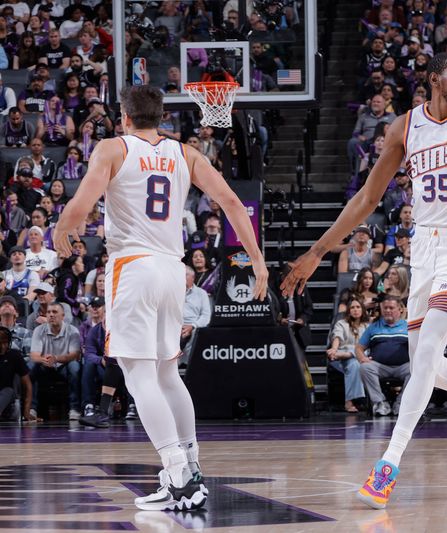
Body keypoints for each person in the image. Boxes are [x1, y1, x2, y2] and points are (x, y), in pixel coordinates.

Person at [281, 52, 447, 510]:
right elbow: (367, 197)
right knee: (425, 361)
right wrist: (318, 250)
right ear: (433, 78)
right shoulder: (405, 127)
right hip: (423, 248)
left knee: (428, 352)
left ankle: (388, 464)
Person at [51, 85, 268, 512]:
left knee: (138, 375)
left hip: (133, 266)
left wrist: (62, 229)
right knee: (168, 373)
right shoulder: (186, 153)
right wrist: (258, 262)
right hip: (173, 270)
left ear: (124, 116)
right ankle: (190, 468)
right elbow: (232, 202)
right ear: (162, 116)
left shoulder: (113, 148)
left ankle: (177, 475)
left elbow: (82, 201)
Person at [356, 295, 410, 416]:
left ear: (400, 309)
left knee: (417, 369)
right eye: (385, 308)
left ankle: (402, 403)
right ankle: (380, 403)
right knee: (365, 367)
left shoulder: (408, 326)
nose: (388, 310)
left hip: (403, 366)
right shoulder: (373, 327)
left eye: (391, 308)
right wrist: (362, 358)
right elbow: (359, 348)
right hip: (380, 367)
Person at [28, 303, 81, 420]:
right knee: (31, 366)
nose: (51, 315)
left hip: (64, 367)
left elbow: (74, 355)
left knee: (75, 367)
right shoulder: (39, 330)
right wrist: (43, 359)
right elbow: (34, 355)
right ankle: (32, 408)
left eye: (55, 312)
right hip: (45, 366)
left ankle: (74, 408)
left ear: (63, 316)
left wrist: (56, 358)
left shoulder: (73, 331)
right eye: (49, 312)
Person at [328, 297, 369, 413]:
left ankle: (348, 354)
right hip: (342, 359)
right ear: (348, 310)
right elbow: (337, 337)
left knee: (355, 361)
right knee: (354, 364)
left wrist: (348, 353)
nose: (355, 310)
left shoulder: (367, 326)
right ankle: (351, 401)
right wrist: (334, 349)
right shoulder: (341, 323)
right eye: (352, 307)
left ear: (362, 310)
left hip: (362, 355)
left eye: (358, 307)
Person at [0, 326, 37, 422]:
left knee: (8, 391)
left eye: (5, 343)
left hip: (7, 395)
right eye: (0, 343)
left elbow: (28, 384)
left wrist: (27, 410)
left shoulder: (14, 355)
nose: (3, 346)